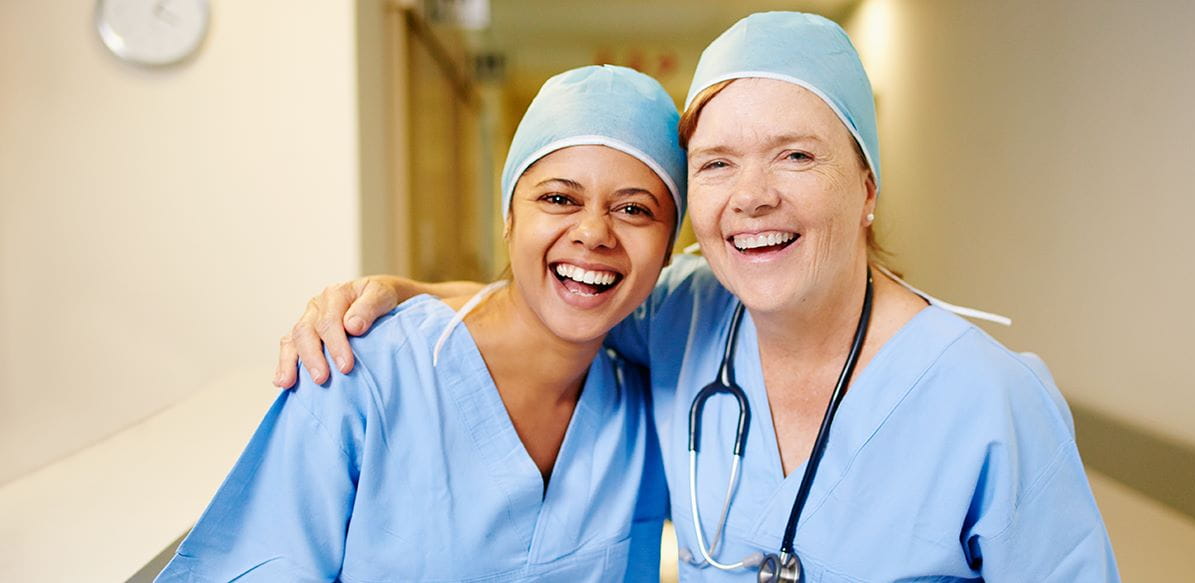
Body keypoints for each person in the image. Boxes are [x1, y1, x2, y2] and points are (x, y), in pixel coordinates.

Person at [277, 13, 1119, 582]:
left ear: (866, 183)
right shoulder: (685, 315)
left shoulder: (988, 400)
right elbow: (568, 287)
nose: (751, 196)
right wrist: (405, 293)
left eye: (794, 155)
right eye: (716, 162)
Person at [159, 65, 684, 582]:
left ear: (666, 252)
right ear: (508, 216)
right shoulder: (359, 367)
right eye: (559, 198)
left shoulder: (641, 411)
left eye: (635, 210)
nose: (593, 233)